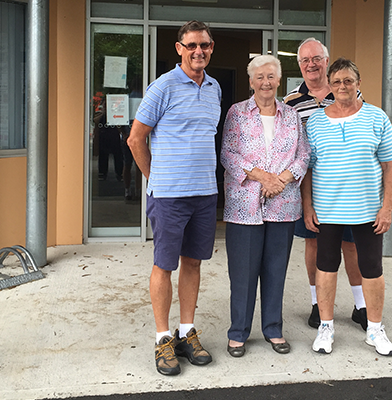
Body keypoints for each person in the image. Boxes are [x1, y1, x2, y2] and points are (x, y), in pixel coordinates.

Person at [127, 20, 221, 376]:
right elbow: (136, 138)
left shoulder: (213, 88)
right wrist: (156, 177)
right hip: (170, 196)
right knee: (164, 265)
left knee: (193, 263)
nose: (199, 51)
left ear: (211, 48)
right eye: (192, 45)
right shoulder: (162, 87)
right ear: (179, 48)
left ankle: (186, 332)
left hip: (204, 193)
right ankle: (163, 338)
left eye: (205, 45)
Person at [303, 57, 392, 357]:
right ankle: (326, 327)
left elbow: (391, 166)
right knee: (326, 267)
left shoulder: (376, 117)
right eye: (336, 82)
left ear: (358, 83)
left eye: (348, 81)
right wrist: (307, 206)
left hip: (367, 210)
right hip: (327, 210)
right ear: (329, 86)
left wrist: (387, 208)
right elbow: (308, 169)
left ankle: (375, 329)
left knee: (372, 269)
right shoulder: (315, 122)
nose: (342, 86)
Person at [221, 55, 310, 358]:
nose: (265, 82)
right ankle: (238, 332)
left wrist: (281, 180)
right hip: (244, 207)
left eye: (271, 76)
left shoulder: (292, 115)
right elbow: (228, 154)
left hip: (282, 205)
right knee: (242, 274)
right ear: (251, 81)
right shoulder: (237, 113)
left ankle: (273, 328)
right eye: (259, 77)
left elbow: (303, 155)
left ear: (279, 80)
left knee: (275, 271)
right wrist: (263, 177)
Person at [284, 38, 368, 331]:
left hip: (347, 186)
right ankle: (317, 304)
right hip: (310, 186)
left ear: (326, 60)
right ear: (299, 65)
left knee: (351, 245)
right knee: (313, 243)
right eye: (305, 60)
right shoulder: (290, 102)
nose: (311, 65)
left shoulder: (347, 92)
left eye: (316, 58)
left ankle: (361, 305)